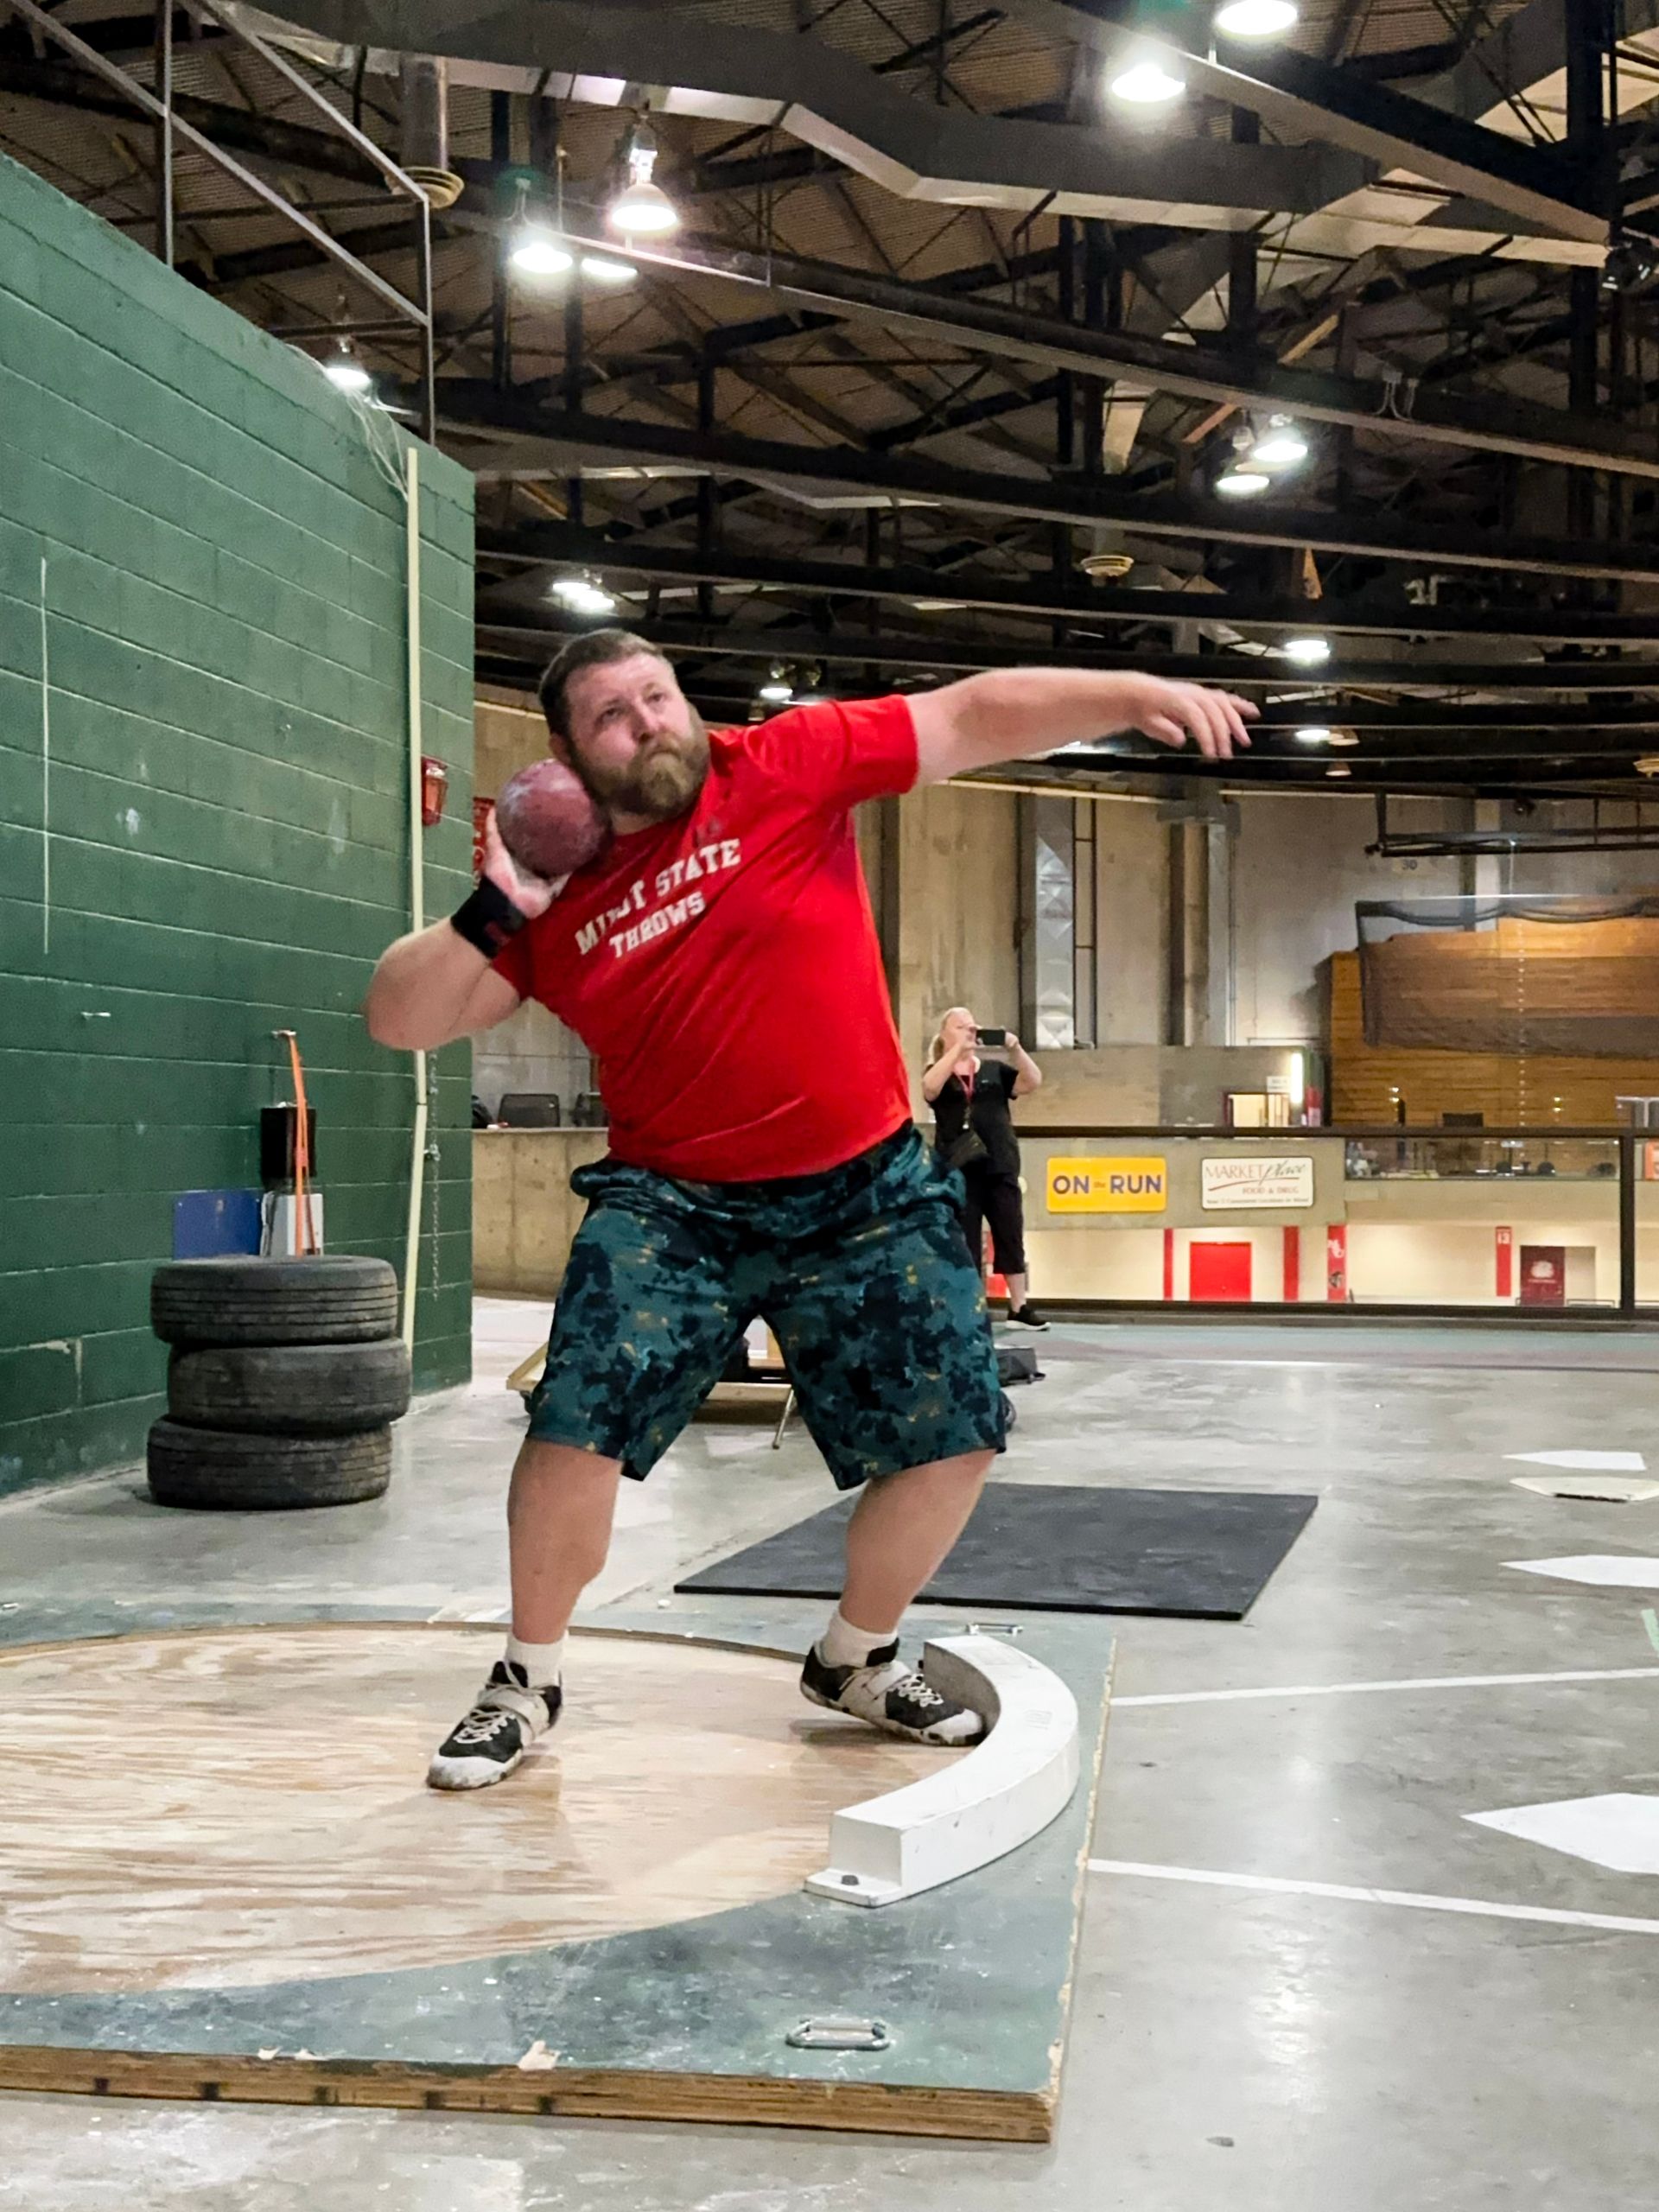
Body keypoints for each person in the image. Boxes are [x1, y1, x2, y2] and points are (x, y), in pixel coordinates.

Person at [364, 632, 1253, 1789]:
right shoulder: (553, 888)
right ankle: (527, 1679)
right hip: (673, 1203)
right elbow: (401, 1017)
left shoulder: (783, 764)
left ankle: (856, 1660)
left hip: (866, 1186)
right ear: (568, 752)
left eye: (660, 696)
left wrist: (1135, 688)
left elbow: (976, 712)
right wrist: (506, 897)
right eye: (614, 717)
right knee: (574, 1428)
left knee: (957, 1433)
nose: (651, 723)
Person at [925, 1008, 1046, 1329]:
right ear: (945, 1033)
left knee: (1009, 1230)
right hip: (960, 1167)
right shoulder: (941, 1070)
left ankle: (1019, 1306)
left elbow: (1032, 1081)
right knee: (964, 1237)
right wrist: (956, 1052)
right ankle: (969, 1304)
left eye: (972, 1025)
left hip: (999, 1162)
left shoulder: (993, 1070)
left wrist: (1014, 1048)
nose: (969, 1029)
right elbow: (929, 1089)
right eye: (960, 1025)